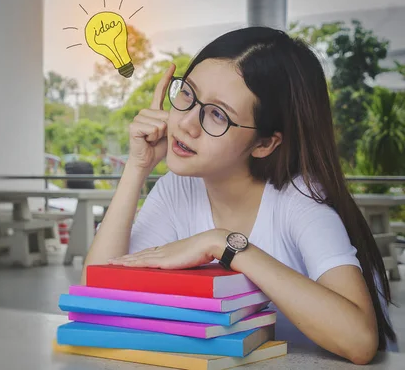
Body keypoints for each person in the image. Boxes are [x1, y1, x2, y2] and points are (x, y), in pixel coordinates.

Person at [81, 27, 397, 365]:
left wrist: (224, 244)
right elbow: (98, 297)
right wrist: (138, 166)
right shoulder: (179, 187)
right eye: (187, 94)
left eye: (218, 114)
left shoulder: (300, 199)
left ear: (265, 143)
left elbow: (360, 341)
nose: (187, 123)